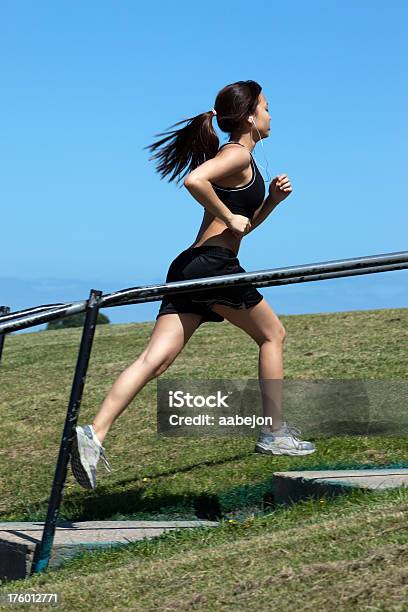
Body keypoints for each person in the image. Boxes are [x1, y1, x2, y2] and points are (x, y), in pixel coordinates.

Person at [70, 79, 315, 490]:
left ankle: (93, 435)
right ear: (251, 117)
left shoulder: (243, 161)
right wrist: (227, 212)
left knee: (154, 361)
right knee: (273, 335)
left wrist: (270, 202)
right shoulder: (235, 155)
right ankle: (274, 434)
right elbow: (194, 182)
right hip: (214, 267)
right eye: (267, 107)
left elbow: (240, 226)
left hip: (190, 267)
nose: (272, 115)